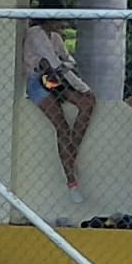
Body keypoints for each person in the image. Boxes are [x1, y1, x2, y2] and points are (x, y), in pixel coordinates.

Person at [20, 17, 96, 195]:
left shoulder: (55, 37)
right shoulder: (36, 34)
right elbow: (55, 63)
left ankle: (71, 155)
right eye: (58, 19)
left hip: (55, 80)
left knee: (88, 104)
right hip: (37, 83)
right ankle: (71, 181)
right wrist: (82, 87)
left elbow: (68, 61)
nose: (62, 25)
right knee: (62, 126)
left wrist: (64, 68)